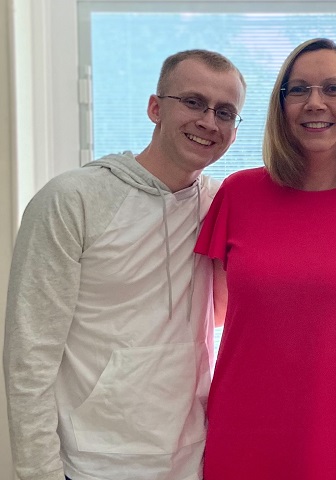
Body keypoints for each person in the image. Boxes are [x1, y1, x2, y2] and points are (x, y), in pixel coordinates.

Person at [3, 49, 246, 480]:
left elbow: (230, 309)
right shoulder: (72, 199)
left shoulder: (221, 205)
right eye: (193, 102)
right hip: (92, 463)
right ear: (155, 107)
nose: (209, 121)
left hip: (194, 459)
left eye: (225, 112)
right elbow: (30, 355)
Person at [194, 38, 336, 479]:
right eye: (298, 90)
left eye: (333, 89)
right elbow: (208, 317)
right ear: (281, 105)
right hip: (245, 435)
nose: (315, 103)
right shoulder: (237, 195)